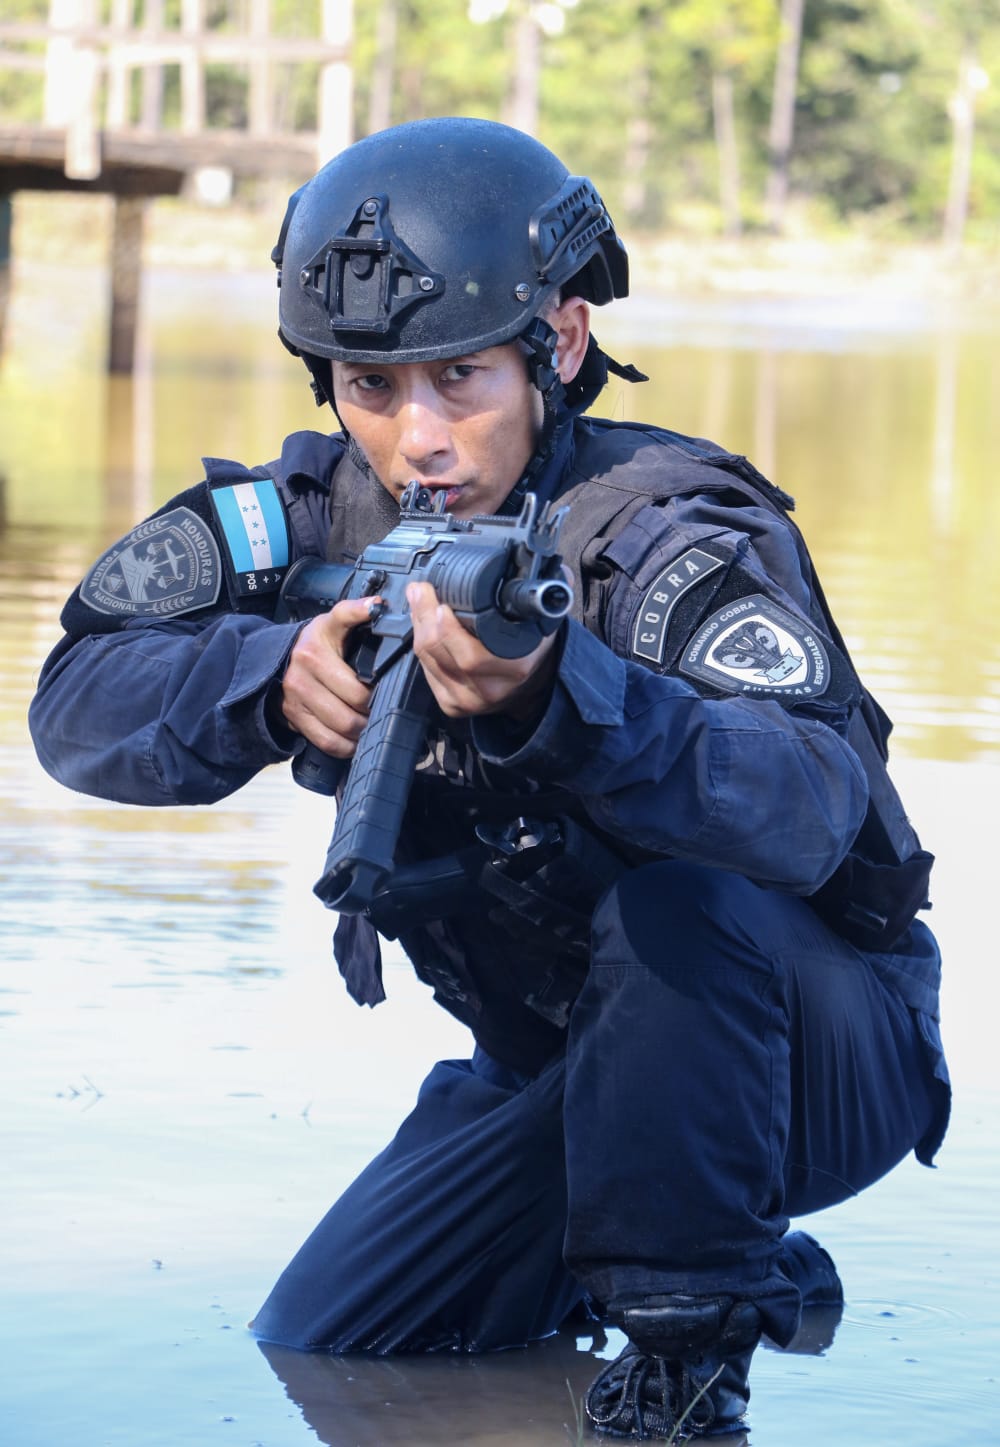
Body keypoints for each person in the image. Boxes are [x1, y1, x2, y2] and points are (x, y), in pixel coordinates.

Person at [29, 117, 949, 1440]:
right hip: (557, 1069)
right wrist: (270, 677)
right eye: (369, 386)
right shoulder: (304, 522)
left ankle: (691, 1367)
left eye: (459, 378)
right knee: (333, 1355)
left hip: (815, 1059)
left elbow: (810, 810)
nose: (418, 439)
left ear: (559, 346)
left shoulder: (668, 537)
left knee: (677, 910)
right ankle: (751, 1272)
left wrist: (569, 706)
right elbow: (74, 702)